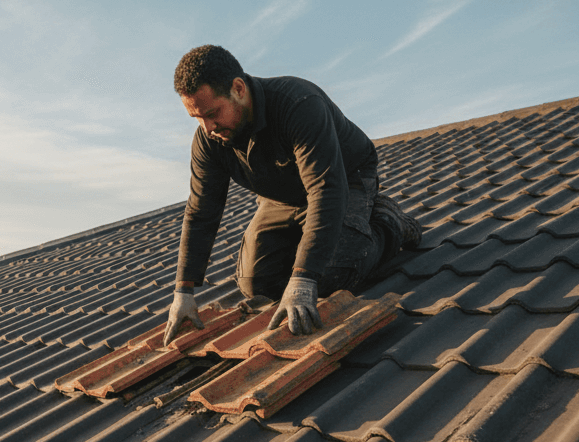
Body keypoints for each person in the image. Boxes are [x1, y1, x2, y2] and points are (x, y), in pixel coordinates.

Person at [163, 45, 420, 344]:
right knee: (254, 284)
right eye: (196, 118)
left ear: (238, 88)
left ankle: (390, 224)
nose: (207, 128)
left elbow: (326, 189)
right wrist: (184, 290)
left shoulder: (297, 103)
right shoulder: (210, 139)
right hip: (282, 198)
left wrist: (304, 276)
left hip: (345, 179)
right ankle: (315, 241)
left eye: (212, 113)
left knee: (329, 275)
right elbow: (201, 211)